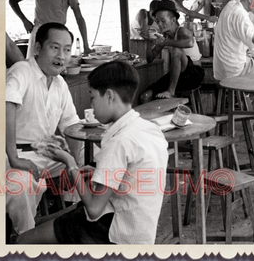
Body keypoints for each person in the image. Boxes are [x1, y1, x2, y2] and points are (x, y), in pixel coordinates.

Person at [16, 61, 168, 244]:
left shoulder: (119, 142)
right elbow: (130, 178)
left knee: (23, 241)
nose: (91, 106)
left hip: (116, 232)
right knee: (40, 222)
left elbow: (94, 210)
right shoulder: (149, 129)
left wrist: (70, 163)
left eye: (92, 97)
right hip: (140, 228)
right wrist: (95, 173)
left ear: (110, 96)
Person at [5, 23, 82, 236]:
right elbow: (7, 102)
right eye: (54, 47)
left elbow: (72, 126)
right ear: (38, 48)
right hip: (14, 153)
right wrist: (14, 158)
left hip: (45, 153)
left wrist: (72, 163)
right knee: (19, 185)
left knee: (92, 168)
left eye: (67, 50)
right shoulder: (22, 70)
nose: (62, 55)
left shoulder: (59, 83)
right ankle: (26, 238)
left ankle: (68, 222)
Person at [139, 0, 205, 102]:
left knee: (176, 50)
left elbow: (189, 43)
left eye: (163, 21)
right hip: (178, 76)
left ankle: (171, 91)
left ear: (173, 20)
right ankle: (157, 117)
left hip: (193, 75)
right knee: (145, 96)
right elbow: (150, 58)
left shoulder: (182, 31)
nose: (159, 24)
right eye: (157, 21)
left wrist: (165, 42)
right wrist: (148, 41)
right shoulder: (165, 37)